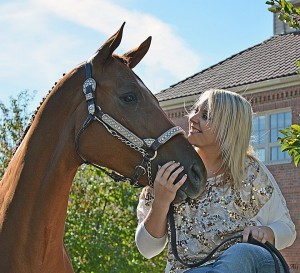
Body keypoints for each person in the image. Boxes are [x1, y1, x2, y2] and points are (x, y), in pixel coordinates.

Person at [135, 89, 296, 273]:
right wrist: (161, 202)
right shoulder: (169, 171)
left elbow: (287, 230)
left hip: (248, 264)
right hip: (191, 270)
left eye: (205, 115)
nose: (192, 118)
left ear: (229, 127)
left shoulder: (249, 171)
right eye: (195, 110)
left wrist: (266, 233)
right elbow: (147, 249)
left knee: (240, 254)